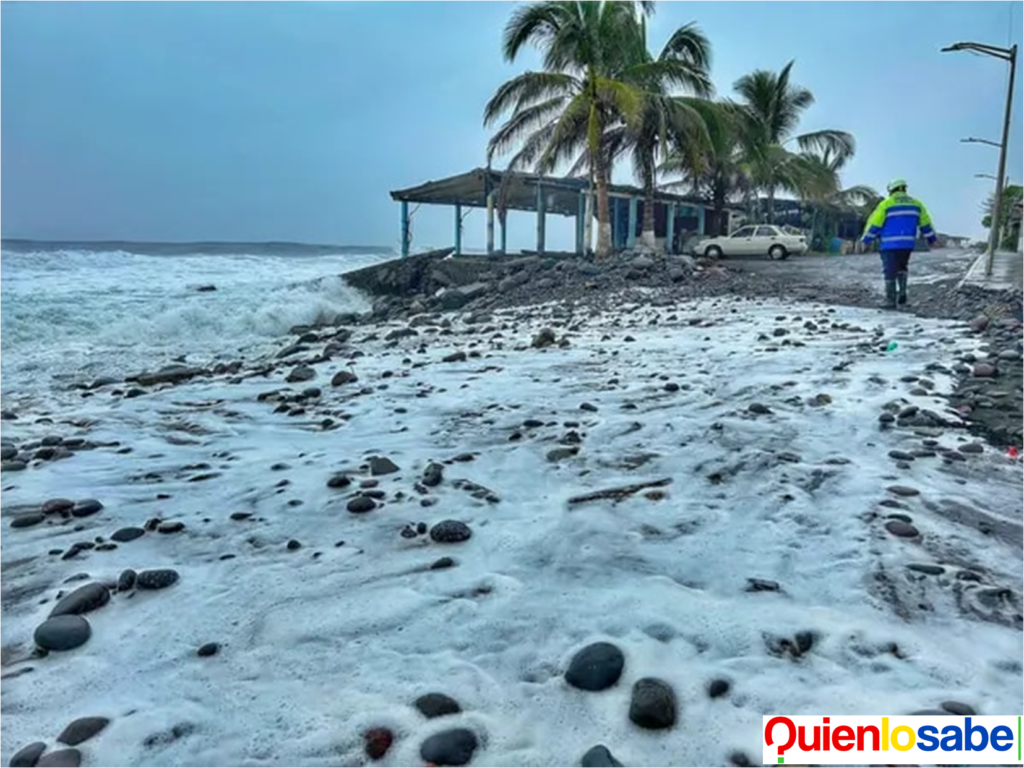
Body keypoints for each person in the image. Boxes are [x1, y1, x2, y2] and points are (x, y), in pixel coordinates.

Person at [860, 179, 938, 309]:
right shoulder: (917, 204)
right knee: (902, 267)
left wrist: (866, 240)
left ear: (891, 190)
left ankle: (890, 301)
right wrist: (932, 239)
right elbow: (925, 224)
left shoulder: (886, 204)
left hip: (889, 245)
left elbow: (875, 224)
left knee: (889, 270)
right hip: (907, 244)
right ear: (904, 189)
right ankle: (902, 296)